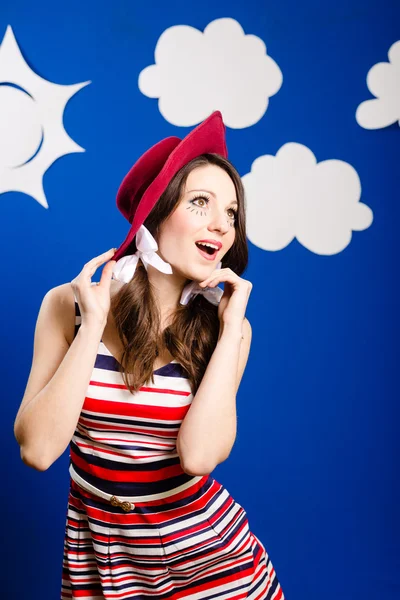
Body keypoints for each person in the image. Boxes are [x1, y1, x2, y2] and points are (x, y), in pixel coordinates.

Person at [14, 111, 285, 599]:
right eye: (200, 202)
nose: (221, 226)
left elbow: (200, 456)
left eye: (231, 213)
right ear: (154, 214)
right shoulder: (67, 307)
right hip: (100, 559)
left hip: (210, 563)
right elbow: (37, 450)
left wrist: (229, 331)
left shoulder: (229, 329)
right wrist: (92, 327)